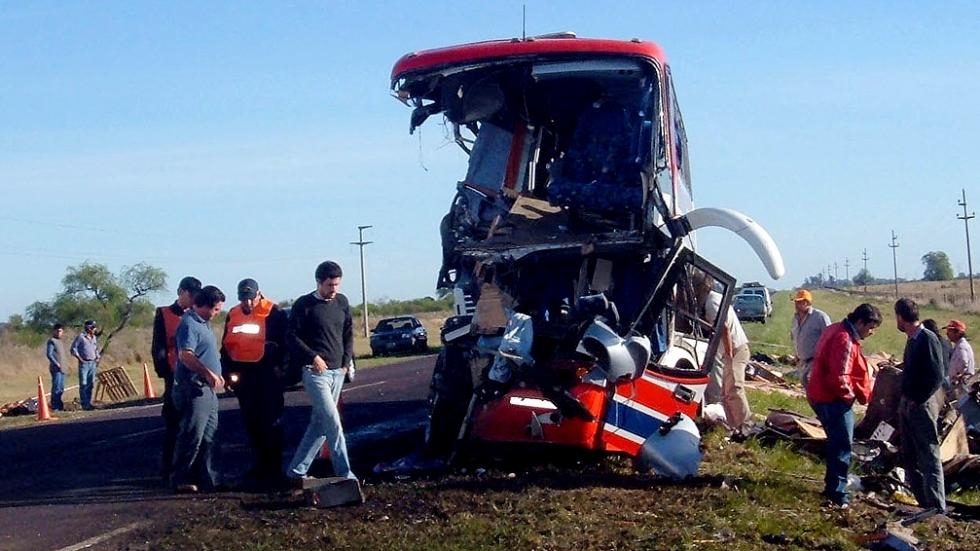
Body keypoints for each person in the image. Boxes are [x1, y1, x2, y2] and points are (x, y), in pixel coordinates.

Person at [286, 260, 357, 484]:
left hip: (338, 371)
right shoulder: (304, 305)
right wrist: (312, 356)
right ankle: (345, 474)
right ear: (319, 282)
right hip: (315, 373)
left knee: (320, 424)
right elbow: (291, 336)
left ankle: (296, 470)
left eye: (337, 284)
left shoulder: (342, 302)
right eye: (329, 285)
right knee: (333, 422)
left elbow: (348, 333)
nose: (333, 289)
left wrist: (346, 361)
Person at [807, 303, 882, 508]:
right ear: (860, 322)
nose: (872, 332)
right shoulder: (845, 339)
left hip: (819, 394)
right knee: (842, 446)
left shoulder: (835, 329)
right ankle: (838, 494)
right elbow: (839, 377)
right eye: (871, 327)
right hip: (832, 399)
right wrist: (849, 398)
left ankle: (832, 486)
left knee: (835, 444)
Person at [221, 278, 289, 489]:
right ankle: (259, 465)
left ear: (259, 294)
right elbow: (226, 346)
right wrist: (227, 373)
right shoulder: (233, 314)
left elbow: (286, 343)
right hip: (244, 375)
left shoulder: (274, 312)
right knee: (252, 422)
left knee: (271, 422)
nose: (248, 303)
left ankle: (274, 468)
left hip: (267, 374)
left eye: (251, 298)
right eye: (244, 299)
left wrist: (281, 366)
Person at [171, 285, 226, 493]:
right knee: (192, 434)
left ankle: (212, 478)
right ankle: (181, 477)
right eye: (216, 309)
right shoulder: (189, 324)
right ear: (205, 305)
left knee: (211, 435)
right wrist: (207, 373)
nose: (217, 313)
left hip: (208, 390)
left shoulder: (204, 324)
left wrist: (216, 373)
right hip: (194, 388)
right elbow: (186, 355)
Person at [894, 298, 946, 512]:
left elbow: (937, 375)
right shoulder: (912, 339)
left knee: (929, 454)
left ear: (900, 317)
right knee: (910, 456)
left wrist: (917, 398)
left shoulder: (927, 338)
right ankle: (923, 503)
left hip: (921, 405)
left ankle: (937, 506)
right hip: (908, 403)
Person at [151, 275, 201, 482]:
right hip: (174, 376)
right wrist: (165, 372)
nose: (193, 299)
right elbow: (158, 347)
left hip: (195, 376)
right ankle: (168, 467)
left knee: (194, 423)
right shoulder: (164, 314)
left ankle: (193, 467)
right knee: (174, 423)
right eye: (190, 295)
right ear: (181, 292)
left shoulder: (198, 314)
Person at [695, 273, 752, 437]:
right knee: (727, 393)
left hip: (735, 349)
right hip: (733, 349)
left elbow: (724, 327)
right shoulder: (715, 298)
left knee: (734, 388)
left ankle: (747, 426)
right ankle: (734, 428)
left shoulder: (711, 302)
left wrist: (728, 354)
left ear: (702, 288)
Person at [790, 289, 831, 390]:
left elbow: (830, 337)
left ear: (808, 303)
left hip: (816, 360)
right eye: (796, 302)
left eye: (801, 302)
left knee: (814, 386)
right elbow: (795, 337)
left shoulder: (820, 317)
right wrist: (797, 354)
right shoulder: (795, 318)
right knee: (806, 386)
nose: (797, 305)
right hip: (802, 361)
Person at [70, 320, 100, 410]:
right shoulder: (81, 337)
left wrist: (97, 356)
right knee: (83, 384)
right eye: (93, 327)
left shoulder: (94, 338)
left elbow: (95, 348)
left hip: (93, 363)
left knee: (90, 384)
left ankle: (89, 403)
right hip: (84, 363)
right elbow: (73, 349)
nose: (94, 329)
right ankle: (84, 404)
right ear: (88, 328)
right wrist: (80, 358)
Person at [944, 319, 976, 400]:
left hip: (961, 385)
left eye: (950, 331)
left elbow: (963, 362)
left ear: (958, 333)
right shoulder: (960, 345)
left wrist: (958, 376)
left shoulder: (961, 347)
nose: (947, 333)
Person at [46, 323, 68, 411]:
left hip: (63, 368)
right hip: (56, 368)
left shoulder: (60, 342)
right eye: (57, 331)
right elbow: (49, 354)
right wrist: (56, 363)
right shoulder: (52, 341)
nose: (59, 333)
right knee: (56, 387)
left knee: (61, 388)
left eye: (61, 331)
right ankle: (55, 406)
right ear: (54, 331)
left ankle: (59, 405)